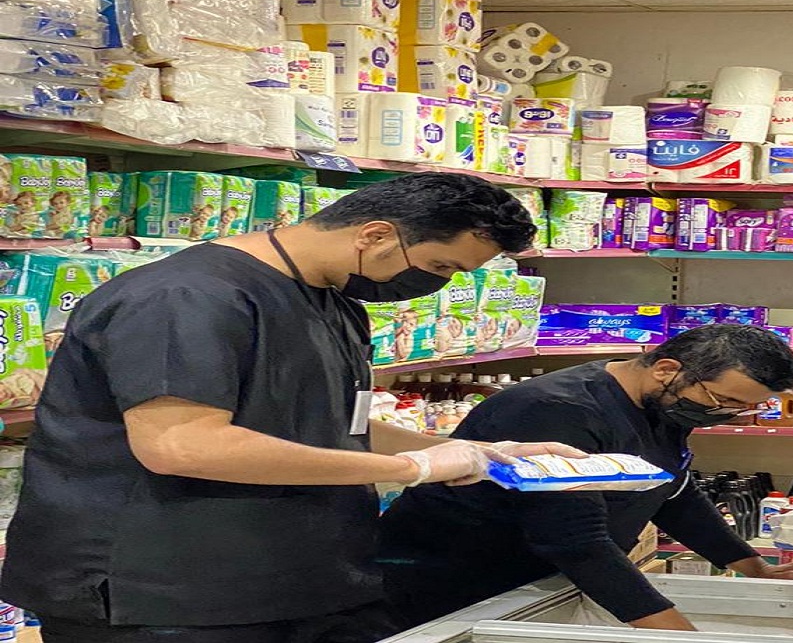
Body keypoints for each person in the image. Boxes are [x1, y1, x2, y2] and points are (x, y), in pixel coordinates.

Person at [1, 173, 583, 643]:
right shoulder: (187, 298)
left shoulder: (334, 301)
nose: (438, 284)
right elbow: (182, 445)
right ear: (377, 235)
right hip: (166, 592)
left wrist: (479, 453)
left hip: (299, 582)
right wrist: (413, 470)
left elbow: (336, 421)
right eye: (440, 267)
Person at [378, 325, 793, 633]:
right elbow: (574, 539)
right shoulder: (559, 411)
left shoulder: (662, 405)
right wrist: (673, 630)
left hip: (534, 584)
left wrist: (752, 566)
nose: (724, 414)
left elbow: (671, 490)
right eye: (723, 401)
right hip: (450, 583)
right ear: (668, 369)